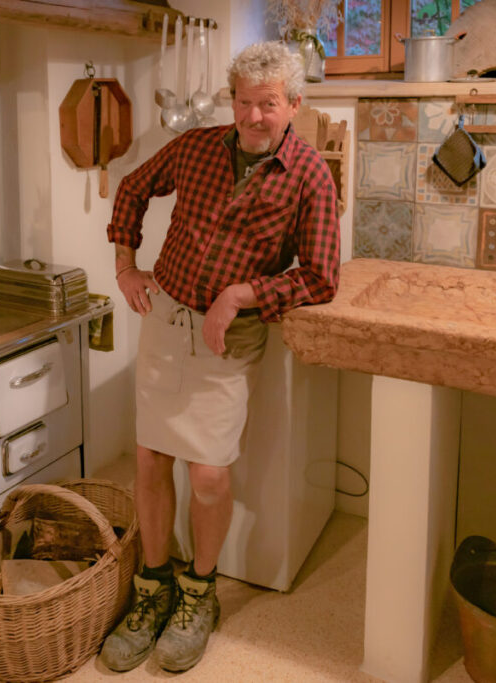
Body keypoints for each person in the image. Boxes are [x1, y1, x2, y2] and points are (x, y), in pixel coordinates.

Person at [98, 40, 341, 674]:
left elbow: (321, 276)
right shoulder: (197, 147)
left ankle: (198, 593)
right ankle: (153, 586)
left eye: (268, 104)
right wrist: (125, 266)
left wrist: (242, 294)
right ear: (232, 100)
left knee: (207, 475)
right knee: (150, 459)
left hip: (227, 340)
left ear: (293, 104)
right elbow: (132, 188)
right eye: (244, 101)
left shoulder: (310, 174)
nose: (254, 116)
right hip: (165, 319)